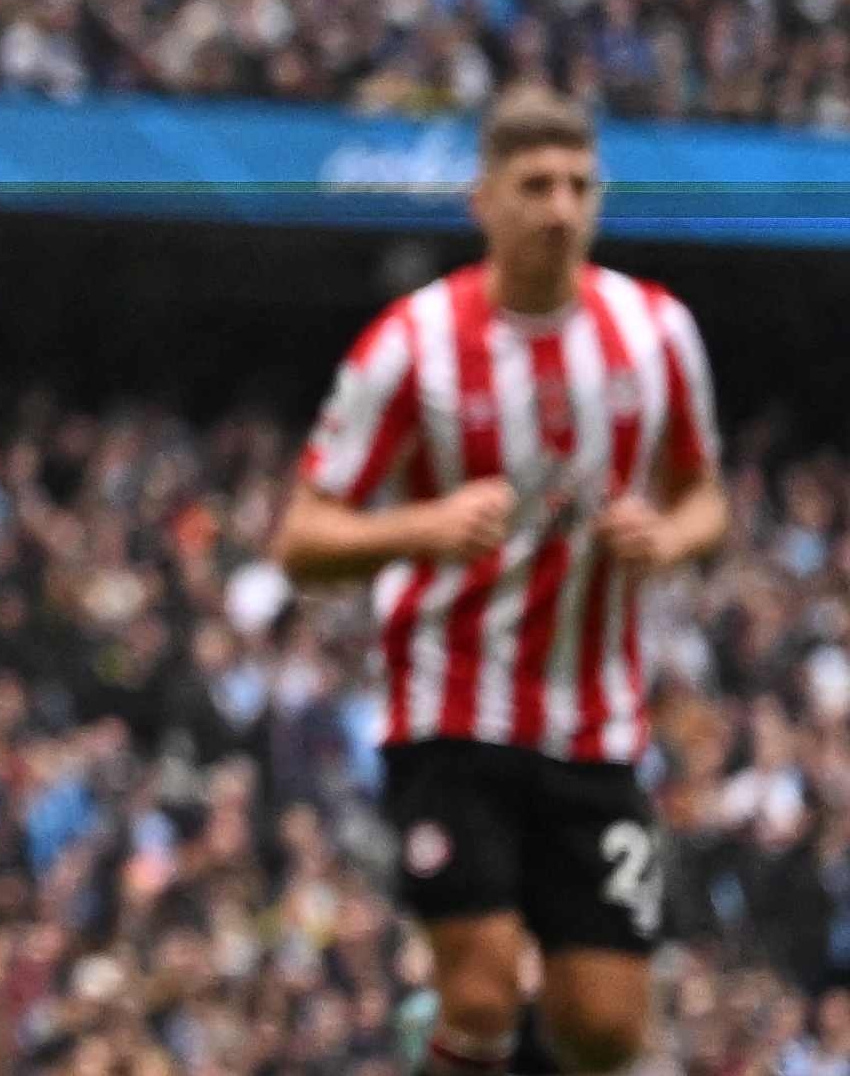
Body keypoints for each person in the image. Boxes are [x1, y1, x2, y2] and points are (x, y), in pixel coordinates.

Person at [275, 86, 727, 1076]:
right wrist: (421, 525)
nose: (559, 207)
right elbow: (302, 538)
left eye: (578, 184)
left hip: (598, 723)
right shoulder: (412, 343)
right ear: (483, 199)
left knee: (605, 1025)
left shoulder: (656, 335)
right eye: (534, 185)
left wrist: (670, 535)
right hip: (450, 708)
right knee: (480, 986)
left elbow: (707, 499)